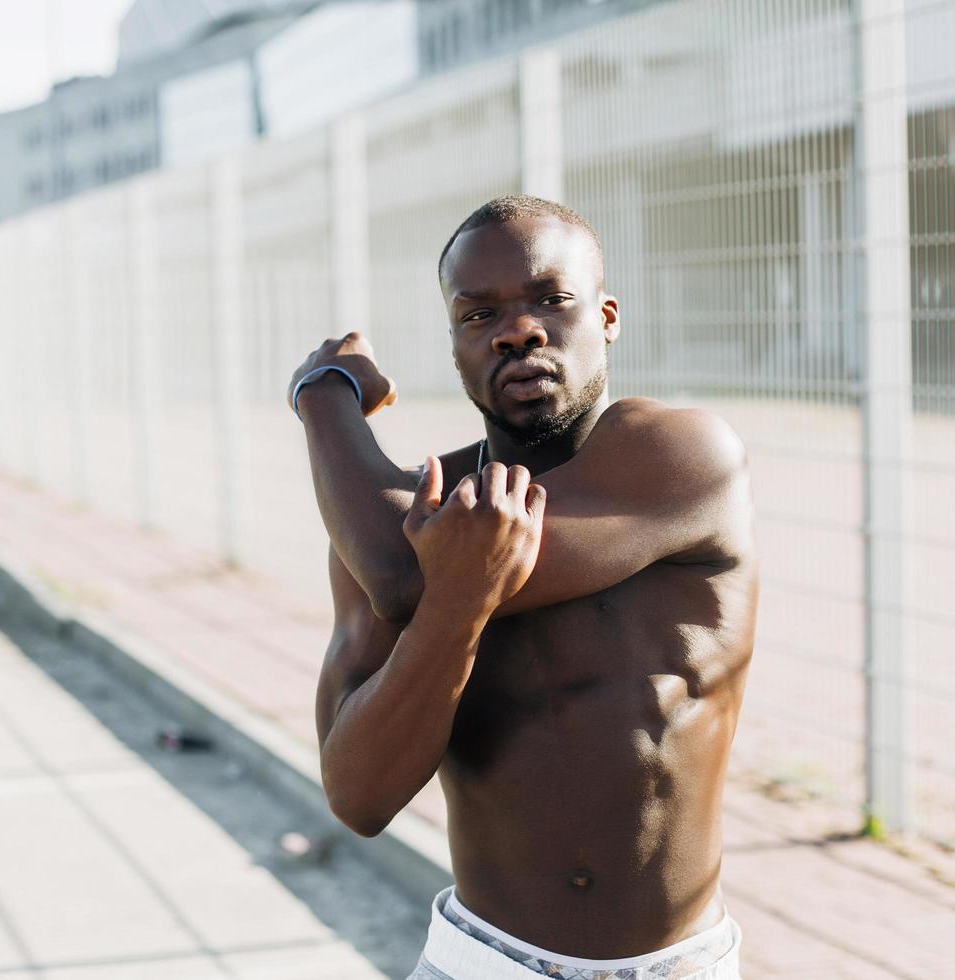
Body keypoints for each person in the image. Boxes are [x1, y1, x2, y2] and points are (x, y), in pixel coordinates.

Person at [287, 196, 757, 979]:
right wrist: (458, 609)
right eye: (479, 315)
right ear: (456, 346)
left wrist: (324, 392)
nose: (517, 330)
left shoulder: (683, 458)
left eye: (551, 299)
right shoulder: (392, 524)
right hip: (480, 962)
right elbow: (358, 797)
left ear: (606, 317)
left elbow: (404, 578)